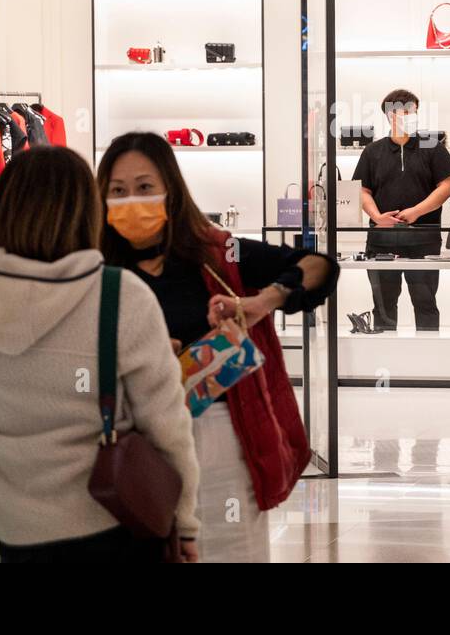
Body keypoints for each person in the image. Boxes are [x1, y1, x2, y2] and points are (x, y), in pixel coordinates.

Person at [0, 146, 200, 563]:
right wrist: (185, 524)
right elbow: (167, 426)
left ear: (4, 208)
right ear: (88, 213)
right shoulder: (121, 295)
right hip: (116, 521)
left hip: (18, 533)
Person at [97, 131, 336, 563]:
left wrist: (263, 302)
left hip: (219, 435)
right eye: (118, 191)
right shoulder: (94, 267)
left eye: (145, 187)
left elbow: (319, 267)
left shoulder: (214, 252)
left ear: (171, 190)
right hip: (134, 441)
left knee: (230, 549)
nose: (132, 200)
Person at [352, 88, 450, 332]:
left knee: (425, 302)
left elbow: (447, 186)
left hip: (423, 240)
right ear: (390, 115)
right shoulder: (372, 151)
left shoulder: (433, 148)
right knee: (384, 305)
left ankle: (429, 358)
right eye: (406, 111)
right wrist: (377, 217)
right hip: (381, 241)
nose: (412, 116)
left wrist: (417, 211)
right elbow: (361, 190)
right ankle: (386, 356)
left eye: (414, 111)